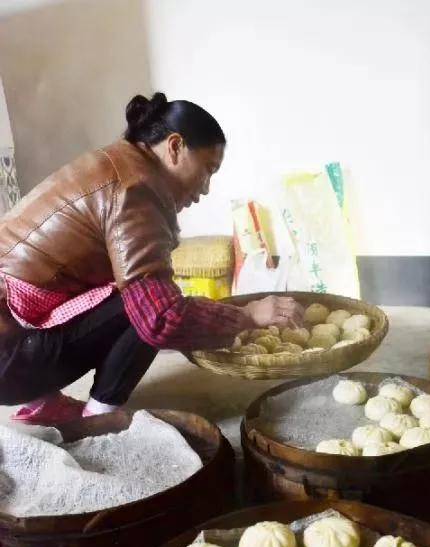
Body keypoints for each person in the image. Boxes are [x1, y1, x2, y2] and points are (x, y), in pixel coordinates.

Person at [0, 92, 303, 425]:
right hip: (7, 360)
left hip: (12, 335)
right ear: (174, 147)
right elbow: (161, 319)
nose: (205, 190)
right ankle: (99, 420)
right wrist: (248, 315)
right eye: (207, 170)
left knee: (136, 291)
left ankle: (46, 404)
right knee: (149, 306)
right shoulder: (135, 189)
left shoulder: (115, 162)